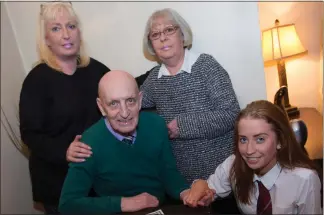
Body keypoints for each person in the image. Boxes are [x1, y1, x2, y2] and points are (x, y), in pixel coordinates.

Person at [66, 8, 241, 184]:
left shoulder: (206, 66)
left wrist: (182, 126)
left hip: (221, 179)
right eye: (155, 35)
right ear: (150, 44)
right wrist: (83, 142)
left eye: (169, 30)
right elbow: (122, 108)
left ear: (182, 34)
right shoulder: (154, 79)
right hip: (179, 184)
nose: (163, 38)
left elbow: (232, 114)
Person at [19, 2, 110, 213]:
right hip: (58, 184)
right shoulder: (36, 80)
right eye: (56, 28)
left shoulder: (97, 70)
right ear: (46, 40)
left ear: (79, 32)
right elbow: (30, 134)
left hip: (98, 181)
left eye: (71, 26)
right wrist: (64, 150)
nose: (66, 35)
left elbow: (122, 93)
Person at [58, 70, 190, 214]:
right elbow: (68, 204)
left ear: (140, 100)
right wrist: (123, 203)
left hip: (159, 209)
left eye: (130, 101)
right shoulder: (87, 144)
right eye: (114, 103)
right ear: (101, 107)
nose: (125, 113)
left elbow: (168, 172)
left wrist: (185, 193)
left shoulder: (156, 125)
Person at [183, 100, 322, 214]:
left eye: (260, 139)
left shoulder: (305, 179)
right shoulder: (234, 164)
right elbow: (208, 188)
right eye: (243, 139)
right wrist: (200, 186)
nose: (249, 150)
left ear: (280, 141)